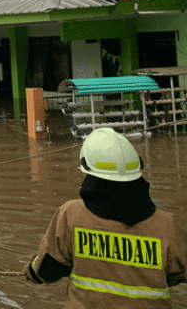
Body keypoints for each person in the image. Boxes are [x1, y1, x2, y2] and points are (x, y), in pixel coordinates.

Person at [25, 128, 187, 307]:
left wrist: (31, 271)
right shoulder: (166, 225)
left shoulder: (72, 215)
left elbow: (48, 270)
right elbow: (177, 275)